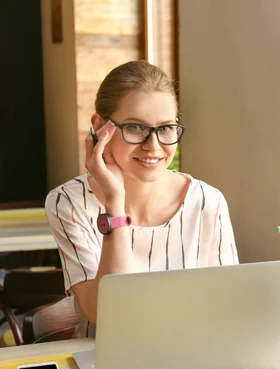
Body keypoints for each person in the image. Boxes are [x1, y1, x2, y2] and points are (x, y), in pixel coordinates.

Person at [45, 61, 238, 338]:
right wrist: (115, 202)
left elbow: (227, 305)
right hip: (103, 362)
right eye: (136, 127)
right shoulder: (68, 202)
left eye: (166, 128)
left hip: (194, 355)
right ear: (99, 127)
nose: (154, 146)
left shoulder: (208, 201)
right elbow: (107, 313)